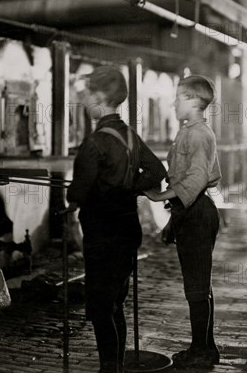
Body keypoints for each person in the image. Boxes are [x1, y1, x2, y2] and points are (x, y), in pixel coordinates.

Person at [64, 66, 166, 373]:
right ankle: (116, 367)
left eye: (86, 96)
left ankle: (110, 369)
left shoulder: (94, 143)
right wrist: (128, 187)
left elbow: (77, 192)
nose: (83, 102)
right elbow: (157, 172)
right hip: (127, 230)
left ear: (99, 97)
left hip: (102, 234)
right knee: (115, 303)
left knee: (99, 307)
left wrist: (77, 199)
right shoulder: (130, 135)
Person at [145, 75, 221, 369]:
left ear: (192, 101)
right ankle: (204, 347)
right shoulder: (190, 131)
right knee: (198, 285)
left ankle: (202, 351)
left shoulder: (198, 134)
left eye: (178, 98)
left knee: (197, 286)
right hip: (191, 212)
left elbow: (197, 177)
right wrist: (172, 221)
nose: (173, 103)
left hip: (198, 213)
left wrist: (159, 195)